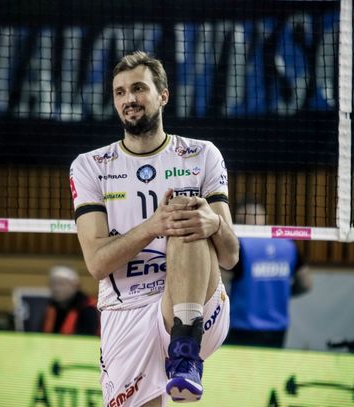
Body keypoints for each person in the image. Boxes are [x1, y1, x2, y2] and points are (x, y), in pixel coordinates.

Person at [69, 51, 239, 406]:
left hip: (194, 306)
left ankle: (185, 352)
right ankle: (181, 354)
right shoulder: (90, 166)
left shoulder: (201, 154)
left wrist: (215, 224)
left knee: (185, 212)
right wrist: (152, 227)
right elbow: (97, 264)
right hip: (124, 310)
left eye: (138, 88)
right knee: (173, 217)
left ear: (163, 95)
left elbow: (230, 256)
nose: (128, 99)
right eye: (120, 92)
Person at [225, 197, 313, 348]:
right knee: (270, 364)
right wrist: (282, 292)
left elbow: (222, 284)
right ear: (264, 217)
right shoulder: (288, 244)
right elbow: (306, 284)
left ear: (239, 219)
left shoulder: (238, 245)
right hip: (278, 328)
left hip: (242, 327)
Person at [42, 265, 100, 336]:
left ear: (75, 285)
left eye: (61, 284)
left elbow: (87, 338)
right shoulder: (50, 306)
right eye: (53, 284)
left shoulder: (88, 308)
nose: (56, 289)